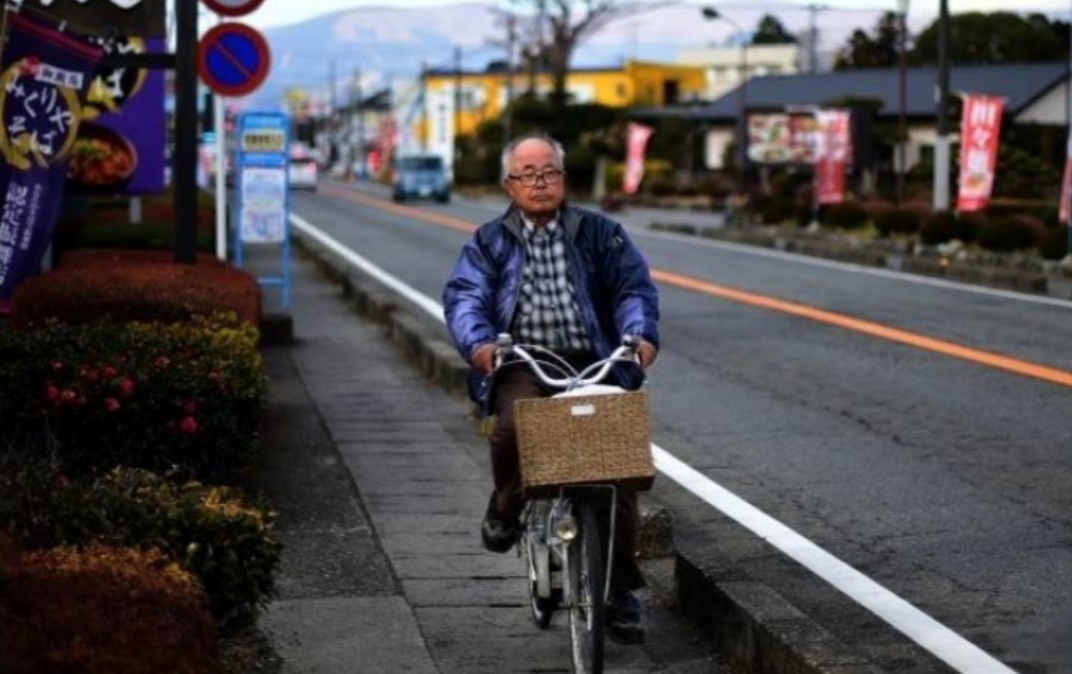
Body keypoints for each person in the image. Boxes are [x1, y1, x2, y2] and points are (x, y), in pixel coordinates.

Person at [443, 132, 660, 645]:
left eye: (550, 172)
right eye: (528, 174)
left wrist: (638, 336)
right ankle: (505, 506)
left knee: (617, 469)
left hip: (597, 357)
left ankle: (619, 594)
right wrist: (481, 345)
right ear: (508, 184)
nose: (540, 183)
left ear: (563, 178)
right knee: (518, 426)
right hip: (523, 359)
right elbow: (465, 297)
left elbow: (634, 288)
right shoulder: (488, 242)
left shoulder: (601, 233)